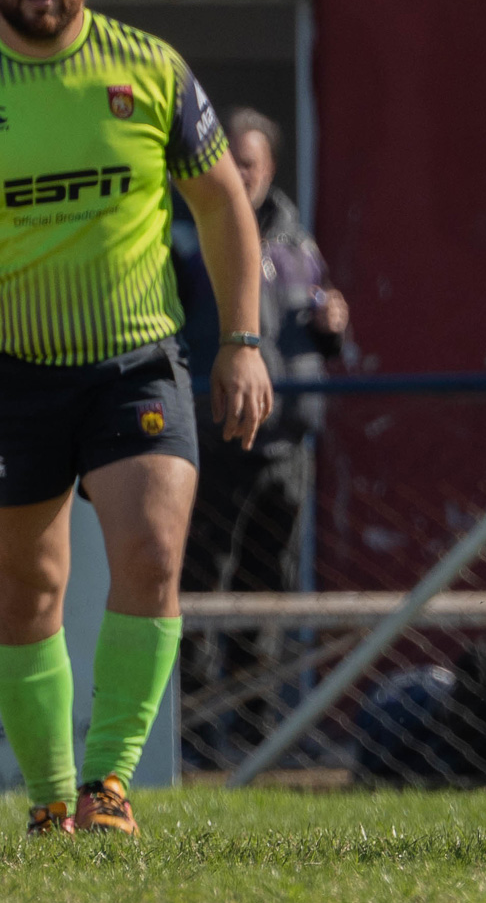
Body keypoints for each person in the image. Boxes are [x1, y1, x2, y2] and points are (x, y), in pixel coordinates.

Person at [0, 0, 271, 836]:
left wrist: (242, 341)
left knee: (152, 553)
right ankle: (47, 799)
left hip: (137, 358)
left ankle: (110, 785)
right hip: (12, 372)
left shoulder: (149, 69)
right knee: (28, 590)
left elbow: (224, 207)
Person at [173, 107, 348, 760]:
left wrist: (334, 323)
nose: (239, 174)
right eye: (232, 162)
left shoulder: (300, 246)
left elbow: (314, 336)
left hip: (287, 445)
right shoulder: (192, 242)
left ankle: (256, 735)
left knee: (266, 588)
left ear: (269, 168)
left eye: (250, 163)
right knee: (201, 586)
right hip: (216, 444)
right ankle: (191, 737)